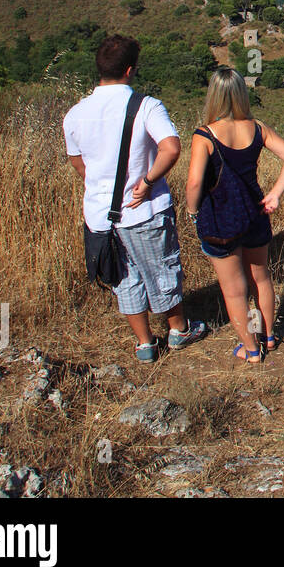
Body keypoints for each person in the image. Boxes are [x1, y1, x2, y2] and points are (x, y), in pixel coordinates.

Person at [64, 35, 207, 362]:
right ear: (130, 70)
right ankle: (179, 330)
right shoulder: (146, 106)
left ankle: (145, 344)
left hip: (100, 217)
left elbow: (77, 161)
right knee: (162, 269)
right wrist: (147, 180)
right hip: (143, 211)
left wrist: (98, 186)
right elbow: (171, 147)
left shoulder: (75, 114)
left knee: (123, 278)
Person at [186, 67, 284, 364]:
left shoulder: (204, 136)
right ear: (240, 93)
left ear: (213, 95)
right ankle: (268, 336)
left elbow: (195, 183)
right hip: (255, 212)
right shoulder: (257, 128)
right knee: (260, 278)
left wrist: (190, 210)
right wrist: (275, 194)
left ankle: (251, 349)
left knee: (234, 290)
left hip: (220, 220)